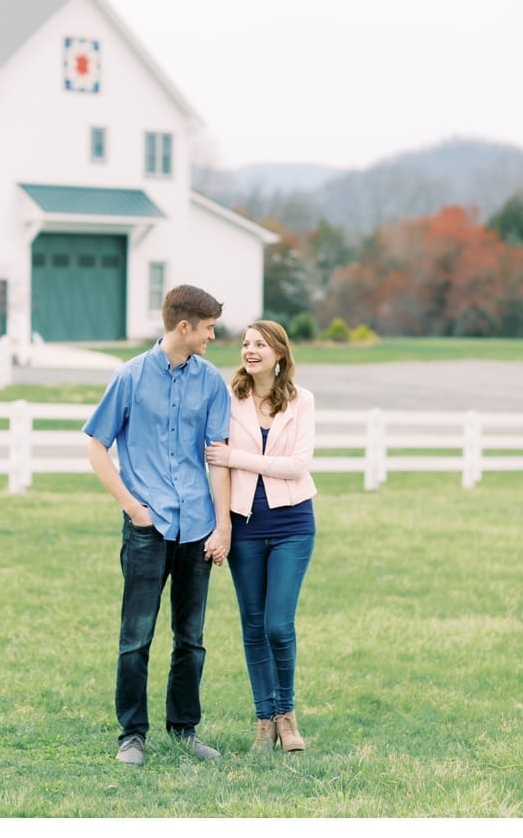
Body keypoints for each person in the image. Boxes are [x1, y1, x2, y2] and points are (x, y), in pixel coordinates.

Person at [84, 284, 233, 767]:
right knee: (136, 637)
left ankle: (184, 728)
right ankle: (132, 735)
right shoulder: (129, 378)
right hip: (148, 526)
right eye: (209, 328)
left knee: (191, 637)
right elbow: (95, 446)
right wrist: (131, 506)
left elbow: (217, 459)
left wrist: (222, 525)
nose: (214, 336)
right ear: (184, 326)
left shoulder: (211, 383)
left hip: (197, 528)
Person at [204, 320, 318, 754]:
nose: (250, 350)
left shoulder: (301, 401)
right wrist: (224, 524)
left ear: (279, 353)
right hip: (245, 527)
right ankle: (264, 722)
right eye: (246, 343)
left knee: (278, 625)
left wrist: (238, 456)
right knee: (253, 627)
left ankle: (287, 717)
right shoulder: (229, 400)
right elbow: (217, 465)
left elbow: (296, 466)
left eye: (260, 344)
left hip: (292, 525)